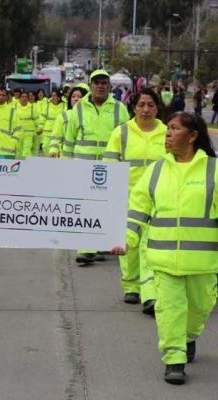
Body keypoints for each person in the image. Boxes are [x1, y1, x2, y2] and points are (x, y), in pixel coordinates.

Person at [112, 111, 218, 385]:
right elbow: (137, 210)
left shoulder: (213, 170)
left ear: (193, 136)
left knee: (201, 307)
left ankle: (189, 337)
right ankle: (174, 359)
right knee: (170, 310)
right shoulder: (156, 170)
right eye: (167, 128)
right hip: (162, 258)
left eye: (174, 129)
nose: (168, 134)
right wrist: (126, 240)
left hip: (203, 261)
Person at [104, 88, 167, 314]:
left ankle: (150, 294)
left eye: (151, 104)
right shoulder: (121, 133)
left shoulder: (167, 134)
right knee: (129, 245)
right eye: (141, 104)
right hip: (128, 199)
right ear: (134, 108)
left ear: (158, 108)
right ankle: (131, 286)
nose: (146, 109)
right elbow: (110, 165)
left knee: (150, 246)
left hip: (160, 201)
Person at [63, 69, 130, 264]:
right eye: (96, 82)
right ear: (91, 85)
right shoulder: (79, 109)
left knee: (109, 206)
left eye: (103, 83)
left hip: (110, 168)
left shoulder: (120, 109)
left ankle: (103, 242)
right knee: (86, 207)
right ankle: (86, 248)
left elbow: (127, 139)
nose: (100, 86)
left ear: (109, 86)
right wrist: (67, 169)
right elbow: (70, 140)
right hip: (83, 167)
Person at [49, 86, 88, 158]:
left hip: (83, 156)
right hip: (65, 157)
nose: (76, 99)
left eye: (80, 97)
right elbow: (56, 136)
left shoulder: (90, 115)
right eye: (73, 97)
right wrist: (53, 150)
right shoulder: (63, 116)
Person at [38, 88, 65, 156]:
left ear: (59, 97)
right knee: (45, 147)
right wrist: (40, 127)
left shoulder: (64, 105)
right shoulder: (47, 105)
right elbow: (42, 117)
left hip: (59, 132)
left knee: (58, 149)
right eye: (52, 95)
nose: (53, 97)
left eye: (55, 95)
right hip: (47, 132)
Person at [14, 91, 40, 157]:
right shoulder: (15, 107)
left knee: (26, 151)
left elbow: (37, 120)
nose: (24, 98)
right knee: (18, 151)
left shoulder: (32, 107)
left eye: (26, 97)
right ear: (19, 98)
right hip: (18, 134)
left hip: (29, 135)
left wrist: (39, 128)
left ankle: (25, 166)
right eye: (22, 97)